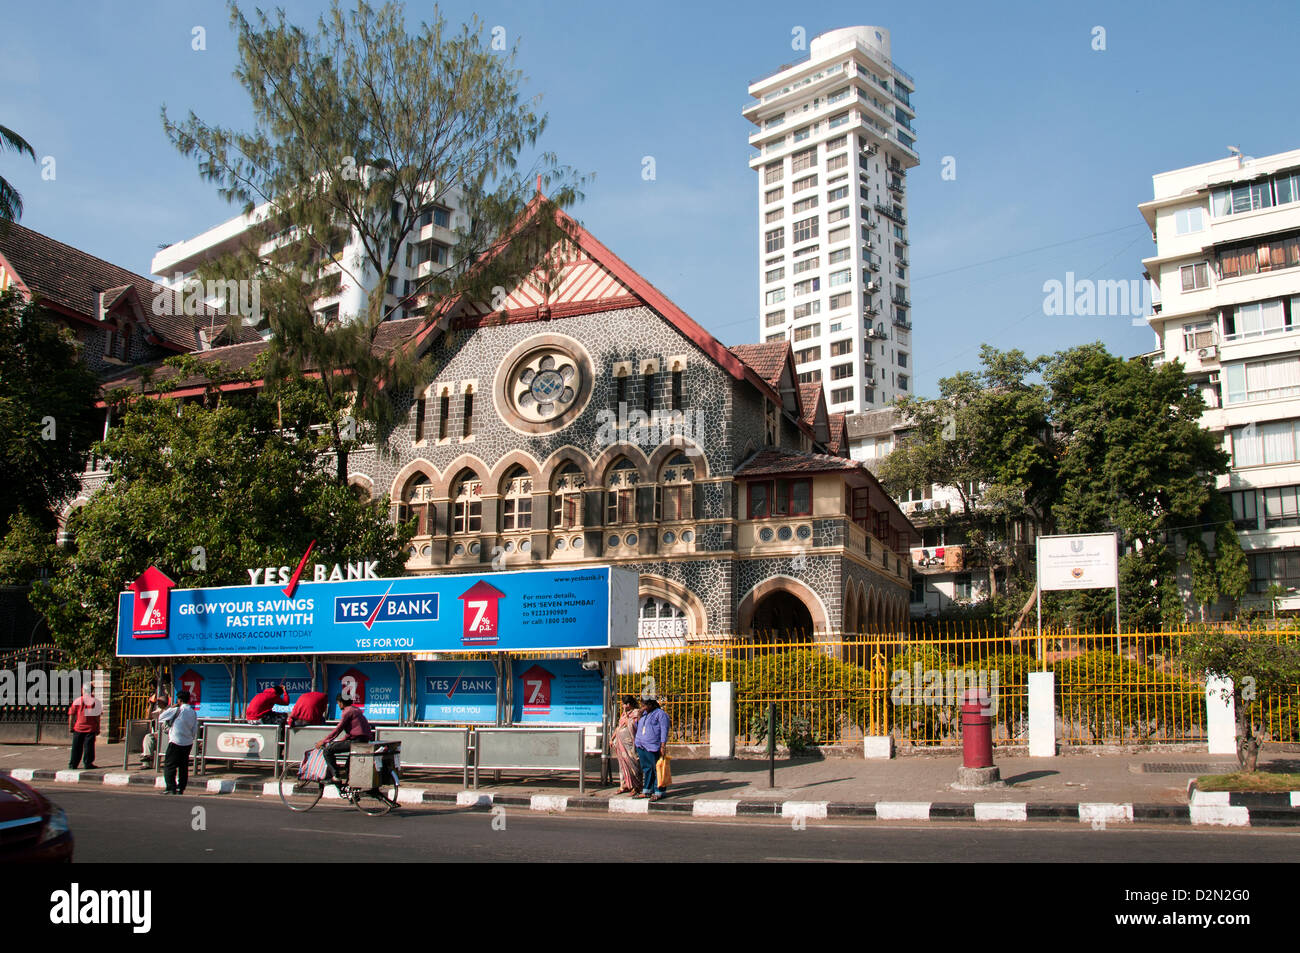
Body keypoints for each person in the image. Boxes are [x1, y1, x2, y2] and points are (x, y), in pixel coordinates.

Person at [315, 693, 373, 781]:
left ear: (341, 703)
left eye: (338, 703)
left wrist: (324, 741)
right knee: (348, 766)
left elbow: (338, 729)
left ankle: (336, 775)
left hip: (355, 742)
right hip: (363, 740)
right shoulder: (356, 710)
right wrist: (339, 741)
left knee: (328, 751)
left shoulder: (347, 711)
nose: (338, 705)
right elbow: (351, 731)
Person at [158, 690, 198, 795]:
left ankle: (171, 787)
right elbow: (194, 729)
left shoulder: (176, 710)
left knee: (170, 765)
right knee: (183, 766)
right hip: (187, 742)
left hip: (175, 741)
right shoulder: (193, 712)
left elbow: (161, 717)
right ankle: (181, 788)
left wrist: (172, 707)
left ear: (179, 700)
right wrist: (190, 738)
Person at [633, 695, 670, 801]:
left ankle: (659, 791)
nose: (643, 707)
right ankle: (647, 790)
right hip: (641, 745)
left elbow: (664, 730)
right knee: (647, 768)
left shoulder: (660, 715)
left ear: (651, 704)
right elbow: (638, 726)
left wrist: (663, 745)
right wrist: (639, 716)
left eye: (644, 705)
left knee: (657, 769)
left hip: (653, 745)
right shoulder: (643, 714)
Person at [67, 684, 102, 770]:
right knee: (89, 747)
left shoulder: (77, 700)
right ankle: (88, 763)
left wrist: (71, 726)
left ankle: (73, 764)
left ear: (83, 690)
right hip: (91, 728)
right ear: (92, 690)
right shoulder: (96, 702)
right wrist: (98, 727)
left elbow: (71, 715)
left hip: (78, 728)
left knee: (76, 747)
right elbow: (97, 717)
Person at [612, 694, 642, 794]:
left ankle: (636, 786)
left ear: (628, 704)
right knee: (622, 765)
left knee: (633, 764)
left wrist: (628, 721)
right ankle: (624, 785)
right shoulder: (623, 714)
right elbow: (619, 726)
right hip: (621, 744)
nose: (622, 706)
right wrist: (612, 738)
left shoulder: (636, 713)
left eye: (623, 704)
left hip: (630, 744)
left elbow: (636, 725)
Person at [141, 689, 172, 765]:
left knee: (151, 737)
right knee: (148, 738)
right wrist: (151, 704)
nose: (158, 703)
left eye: (159, 702)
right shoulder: (159, 710)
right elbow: (149, 716)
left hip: (169, 736)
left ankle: (147, 758)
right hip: (159, 736)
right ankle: (147, 760)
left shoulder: (169, 711)